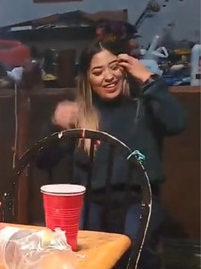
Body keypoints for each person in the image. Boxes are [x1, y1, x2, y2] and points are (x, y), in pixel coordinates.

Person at [37, 38, 186, 268]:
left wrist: (149, 79)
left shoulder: (143, 105)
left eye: (114, 67)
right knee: (82, 246)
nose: (108, 77)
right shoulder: (81, 114)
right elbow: (42, 161)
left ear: (126, 67)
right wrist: (54, 125)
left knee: (132, 246)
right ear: (88, 78)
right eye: (97, 72)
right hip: (91, 203)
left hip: (139, 200)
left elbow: (177, 123)